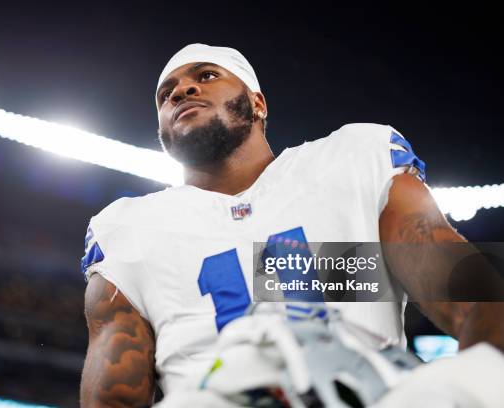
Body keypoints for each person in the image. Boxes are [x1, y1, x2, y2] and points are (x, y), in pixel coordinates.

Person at [79, 44, 503, 407]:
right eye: (165, 95)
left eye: (206, 76)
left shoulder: (350, 161)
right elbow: (113, 395)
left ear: (258, 103)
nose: (182, 91)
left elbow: (472, 297)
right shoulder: (128, 228)